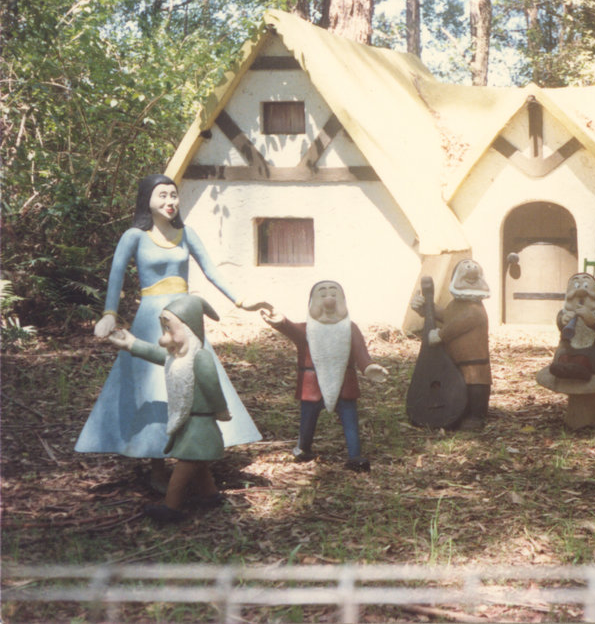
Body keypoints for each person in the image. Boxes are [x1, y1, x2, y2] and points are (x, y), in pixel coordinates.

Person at [76, 174, 269, 491]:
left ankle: (195, 458)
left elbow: (211, 269)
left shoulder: (186, 233)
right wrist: (109, 314)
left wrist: (240, 299)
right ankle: (156, 464)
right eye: (162, 195)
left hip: (185, 317)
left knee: (193, 382)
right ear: (147, 200)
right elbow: (116, 275)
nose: (169, 202)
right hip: (152, 317)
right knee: (156, 390)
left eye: (174, 195)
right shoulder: (134, 236)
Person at [109, 296, 230, 522]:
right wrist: (131, 343)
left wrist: (221, 410)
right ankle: (210, 495)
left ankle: (171, 508)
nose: (165, 332)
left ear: (188, 326)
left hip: (199, 423)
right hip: (188, 421)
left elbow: (212, 387)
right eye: (163, 326)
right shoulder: (177, 357)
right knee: (197, 461)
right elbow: (157, 354)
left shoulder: (200, 357)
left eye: (169, 326)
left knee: (184, 466)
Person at [262, 280, 388, 470]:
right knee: (308, 420)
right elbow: (291, 330)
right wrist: (281, 321)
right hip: (312, 384)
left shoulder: (350, 328)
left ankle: (355, 456)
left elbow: (361, 353)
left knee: (350, 420)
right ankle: (303, 448)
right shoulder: (306, 329)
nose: (329, 299)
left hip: (344, 383)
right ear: (311, 303)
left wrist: (369, 367)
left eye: (334, 295)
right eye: (322, 295)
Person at [410, 260, 492, 430]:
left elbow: (459, 325)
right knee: (457, 385)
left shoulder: (475, 309)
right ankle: (458, 412)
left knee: (476, 386)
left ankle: (476, 416)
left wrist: (440, 335)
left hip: (474, 360)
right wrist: (426, 308)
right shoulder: (455, 305)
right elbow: (446, 316)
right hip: (455, 359)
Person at [549, 273, 595, 380]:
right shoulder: (564, 313)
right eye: (575, 287)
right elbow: (560, 326)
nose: (580, 291)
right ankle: (564, 369)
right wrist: (563, 320)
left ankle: (580, 370)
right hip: (568, 347)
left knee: (585, 359)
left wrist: (593, 320)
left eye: (585, 286)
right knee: (563, 357)